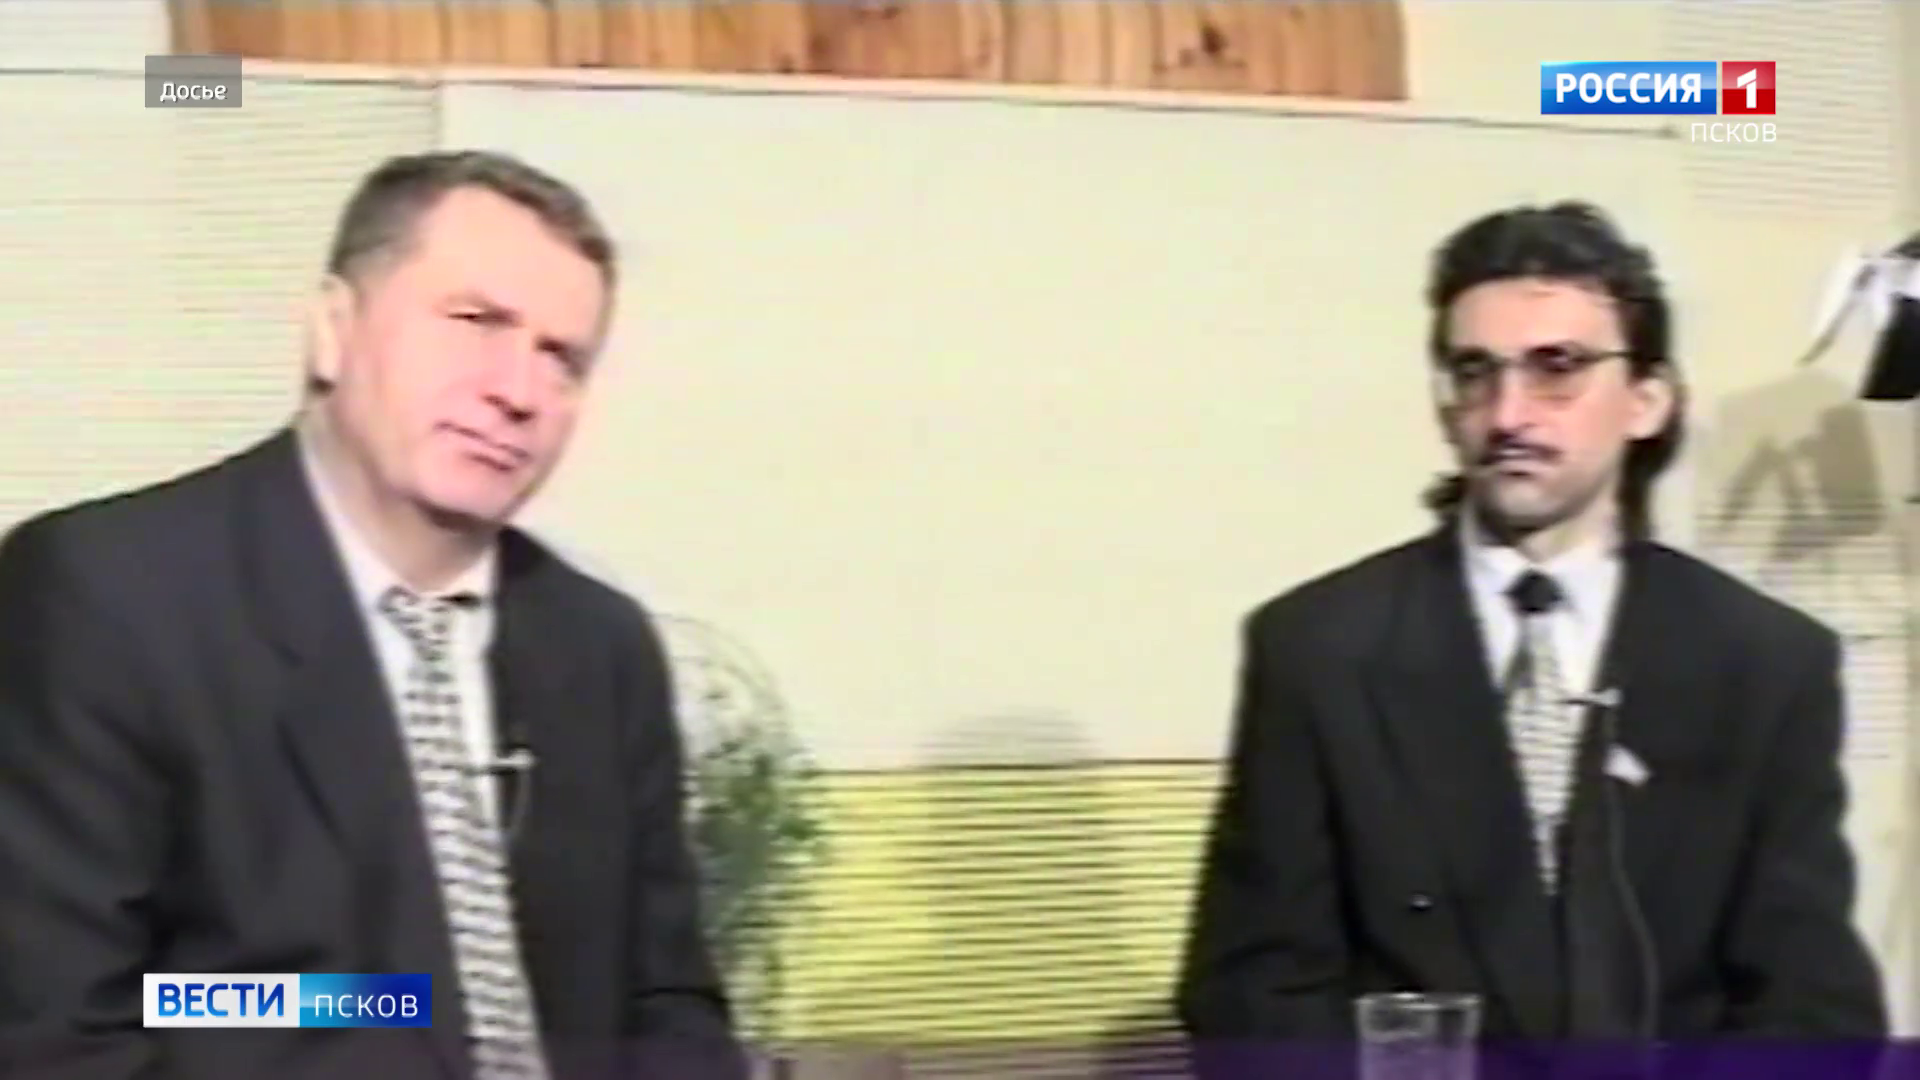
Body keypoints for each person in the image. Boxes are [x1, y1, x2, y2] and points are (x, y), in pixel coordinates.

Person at [0, 151, 745, 1080]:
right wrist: (355, 1000)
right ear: (332, 330)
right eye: (476, 321)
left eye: (561, 358)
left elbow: (666, 1003)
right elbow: (68, 1023)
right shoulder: (109, 596)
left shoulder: (601, 647)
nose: (517, 392)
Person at [1174, 202, 1888, 1056]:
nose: (1509, 413)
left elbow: (1813, 1004)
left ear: (1647, 400)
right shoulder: (1320, 648)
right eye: (1475, 372)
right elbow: (1252, 992)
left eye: (1558, 368)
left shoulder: (1765, 662)